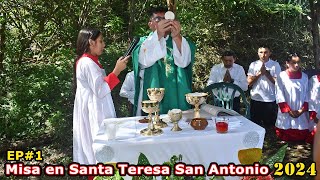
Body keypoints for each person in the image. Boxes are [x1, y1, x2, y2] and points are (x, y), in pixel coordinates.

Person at [73, 28, 129, 164]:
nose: (103, 45)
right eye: (101, 41)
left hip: (95, 108)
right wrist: (116, 71)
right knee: (99, 148)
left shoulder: (90, 61)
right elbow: (100, 90)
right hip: (94, 112)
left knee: (99, 149)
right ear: (91, 43)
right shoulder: (87, 63)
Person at [132, 6, 196, 115]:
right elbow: (143, 62)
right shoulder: (144, 42)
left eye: (165, 19)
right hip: (153, 93)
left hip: (176, 93)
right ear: (150, 24)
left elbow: (184, 62)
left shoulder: (179, 40)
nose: (163, 22)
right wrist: (159, 35)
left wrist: (176, 37)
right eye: (158, 19)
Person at [275, 53, 312, 142]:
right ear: (287, 63)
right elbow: (279, 94)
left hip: (301, 111)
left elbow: (308, 94)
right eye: (293, 62)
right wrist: (288, 110)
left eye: (298, 62)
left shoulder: (304, 77)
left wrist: (302, 110)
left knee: (301, 131)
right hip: (287, 111)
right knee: (285, 131)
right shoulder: (281, 76)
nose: (296, 65)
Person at [247, 46, 281, 127]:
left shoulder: (275, 65)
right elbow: (249, 83)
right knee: (255, 125)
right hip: (256, 98)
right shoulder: (253, 64)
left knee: (269, 126)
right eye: (261, 52)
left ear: (269, 53)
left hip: (270, 99)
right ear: (258, 53)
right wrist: (258, 74)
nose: (263, 55)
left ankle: (270, 139)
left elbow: (278, 83)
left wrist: (266, 73)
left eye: (266, 52)